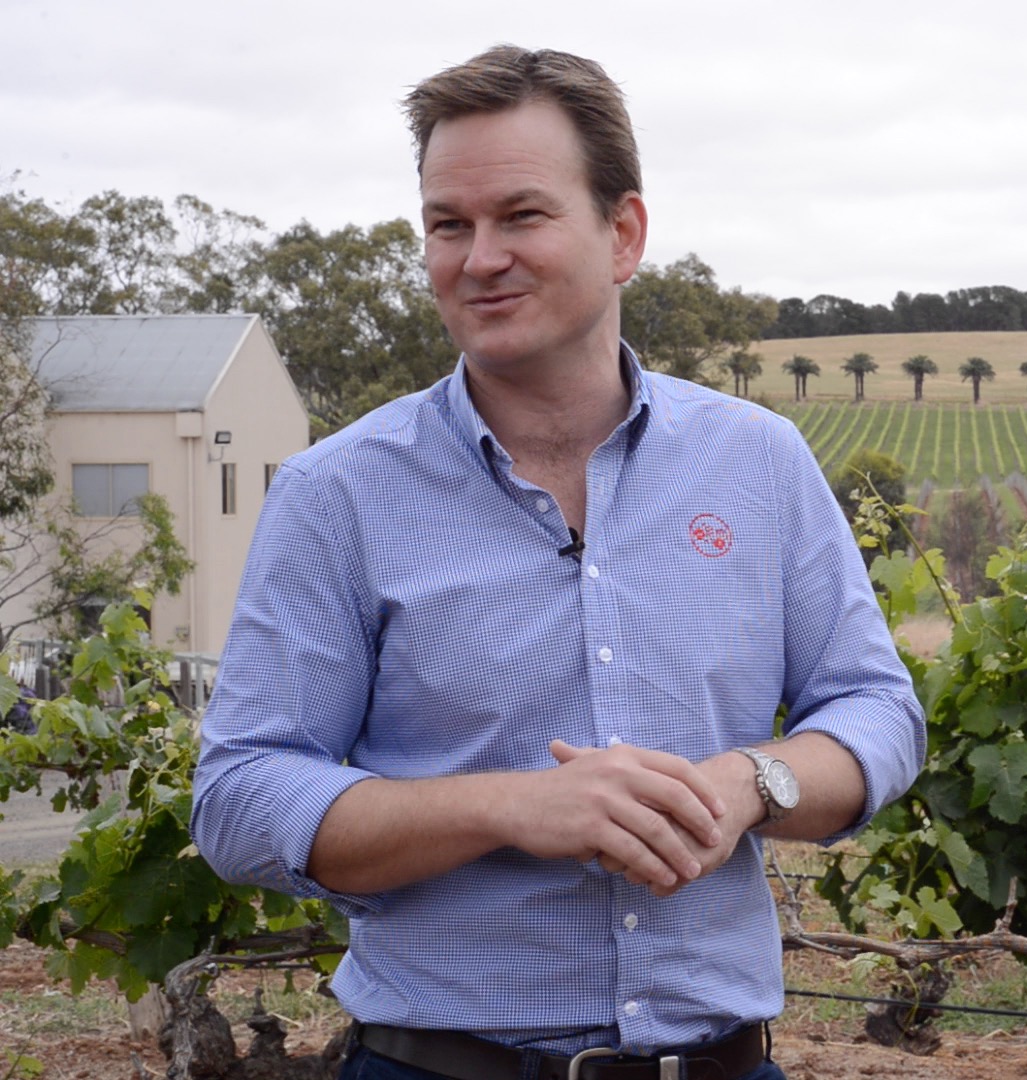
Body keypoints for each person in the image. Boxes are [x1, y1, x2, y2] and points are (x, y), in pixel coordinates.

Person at [190, 46, 925, 1080]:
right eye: (449, 224)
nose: (478, 256)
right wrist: (508, 807)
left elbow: (877, 714)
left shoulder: (758, 465)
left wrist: (749, 783)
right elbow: (240, 797)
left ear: (622, 233)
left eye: (521, 216)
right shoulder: (338, 494)